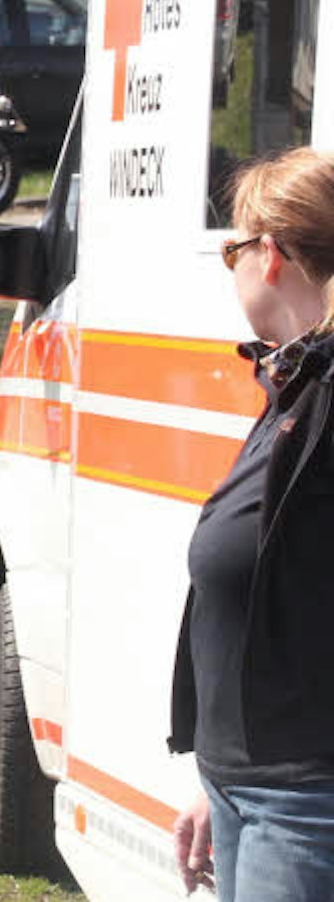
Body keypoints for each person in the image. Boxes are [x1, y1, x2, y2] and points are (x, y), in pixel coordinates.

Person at [170, 146, 334, 901]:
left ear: (268, 255)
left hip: (307, 800)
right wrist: (219, 774)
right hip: (253, 785)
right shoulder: (296, 379)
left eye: (230, 251)